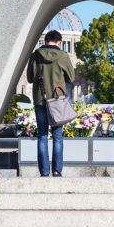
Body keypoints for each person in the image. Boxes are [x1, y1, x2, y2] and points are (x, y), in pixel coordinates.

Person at [27, 30, 75, 177]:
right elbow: (71, 78)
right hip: (57, 100)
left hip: (40, 99)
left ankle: (44, 171)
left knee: (42, 136)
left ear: (45, 41)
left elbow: (29, 78)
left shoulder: (36, 55)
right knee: (57, 136)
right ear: (59, 42)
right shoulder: (63, 56)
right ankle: (57, 170)